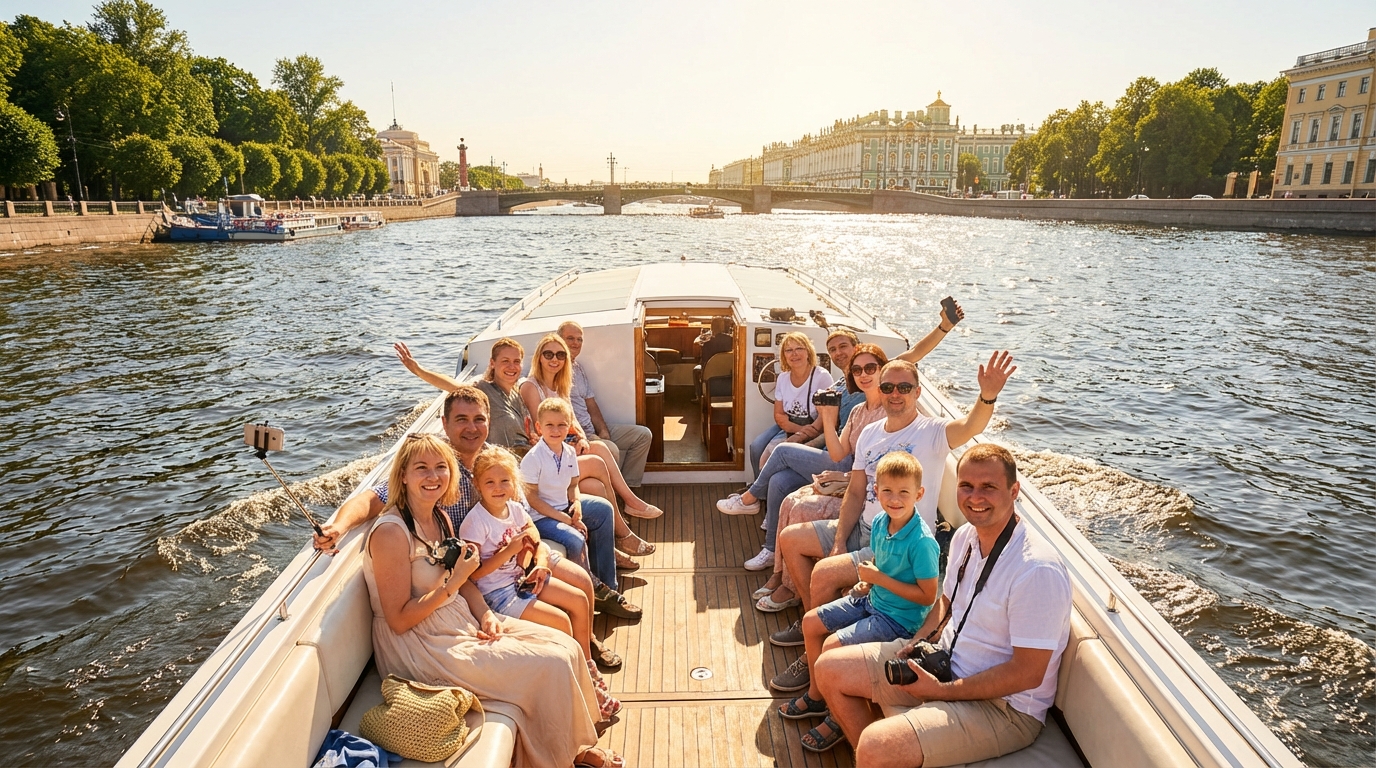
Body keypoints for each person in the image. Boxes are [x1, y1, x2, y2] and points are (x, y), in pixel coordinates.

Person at [311, 385, 632, 669]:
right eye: (461, 420)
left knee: (582, 583)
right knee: (567, 589)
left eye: (479, 419)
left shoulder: (494, 462)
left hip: (516, 550)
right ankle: (577, 653)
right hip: (482, 568)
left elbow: (523, 517)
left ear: (488, 423)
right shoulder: (436, 468)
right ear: (445, 423)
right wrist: (338, 526)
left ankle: (587, 639)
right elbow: (373, 499)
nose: (471, 427)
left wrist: (538, 557)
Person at [359, 432, 616, 768]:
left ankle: (573, 747)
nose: (433, 476)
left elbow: (465, 585)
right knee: (549, 664)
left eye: (441, 467)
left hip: (459, 619)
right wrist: (453, 583)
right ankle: (562, 759)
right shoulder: (391, 533)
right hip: (421, 644)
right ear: (403, 475)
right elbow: (399, 619)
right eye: (422, 468)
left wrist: (485, 615)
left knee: (564, 646)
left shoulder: (440, 517)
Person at [807, 444, 1072, 765]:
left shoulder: (1036, 569)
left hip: (1003, 708)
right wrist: (916, 644)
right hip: (946, 661)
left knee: (877, 745)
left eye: (989, 487)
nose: (975, 497)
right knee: (828, 669)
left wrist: (942, 691)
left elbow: (1027, 673)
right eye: (966, 486)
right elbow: (944, 603)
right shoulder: (966, 538)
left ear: (1014, 490)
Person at [771, 352, 1016, 691]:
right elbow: (856, 492)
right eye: (888, 387)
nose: (895, 393)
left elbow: (972, 426)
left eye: (904, 386)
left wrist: (987, 395)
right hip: (862, 527)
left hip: (892, 541)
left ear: (917, 392)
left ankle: (816, 652)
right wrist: (840, 540)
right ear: (880, 391)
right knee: (790, 539)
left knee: (826, 573)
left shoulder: (932, 432)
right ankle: (813, 628)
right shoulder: (870, 432)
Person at [722, 301, 965, 574]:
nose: (840, 355)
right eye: (833, 350)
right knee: (779, 479)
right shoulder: (842, 384)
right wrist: (802, 439)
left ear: (859, 349)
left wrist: (944, 326)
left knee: (779, 451)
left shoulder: (881, 382)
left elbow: (913, 355)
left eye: (844, 348)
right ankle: (769, 549)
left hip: (847, 462)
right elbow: (823, 425)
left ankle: (749, 499)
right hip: (834, 450)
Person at [459, 445, 621, 722]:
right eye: (490, 482)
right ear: (477, 484)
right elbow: (472, 575)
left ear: (514, 483)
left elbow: (532, 538)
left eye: (505, 481)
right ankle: (582, 687)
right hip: (498, 594)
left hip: (522, 578)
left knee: (580, 600)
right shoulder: (474, 523)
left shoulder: (514, 509)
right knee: (561, 621)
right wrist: (508, 551)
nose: (498, 488)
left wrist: (538, 563)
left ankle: (587, 669)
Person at [774, 452, 940, 709]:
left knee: (831, 644)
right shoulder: (880, 522)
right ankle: (817, 695)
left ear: (919, 494)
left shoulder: (922, 542)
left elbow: (928, 596)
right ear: (876, 491)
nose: (895, 499)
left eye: (904, 493)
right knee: (810, 622)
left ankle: (831, 704)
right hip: (872, 600)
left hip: (897, 621)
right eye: (887, 491)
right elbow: (880, 563)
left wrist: (879, 579)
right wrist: (869, 583)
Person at [520, 398, 642, 626]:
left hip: (564, 508)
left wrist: (576, 503)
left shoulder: (567, 452)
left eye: (561, 425)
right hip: (542, 517)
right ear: (539, 427)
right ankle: (591, 587)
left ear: (569, 427)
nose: (555, 431)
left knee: (604, 510)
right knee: (575, 540)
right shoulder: (533, 459)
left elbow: (573, 485)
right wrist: (566, 519)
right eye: (549, 425)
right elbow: (532, 499)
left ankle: (609, 587)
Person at [558, 320, 654, 489]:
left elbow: (591, 403)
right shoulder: (555, 370)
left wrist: (602, 430)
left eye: (579, 339)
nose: (575, 343)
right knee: (611, 450)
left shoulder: (578, 368)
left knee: (642, 435)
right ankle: (617, 494)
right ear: (558, 339)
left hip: (592, 429)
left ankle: (628, 487)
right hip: (579, 435)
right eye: (570, 338)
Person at [395, 339, 531, 453]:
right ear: (492, 363)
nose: (511, 366)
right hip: (498, 464)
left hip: (521, 457)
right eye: (505, 361)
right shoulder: (484, 389)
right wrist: (419, 370)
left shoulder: (516, 394)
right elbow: (451, 385)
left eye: (516, 361)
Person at [748, 332, 833, 476]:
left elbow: (828, 414)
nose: (794, 354)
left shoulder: (822, 377)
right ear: (784, 356)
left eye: (799, 348)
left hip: (817, 430)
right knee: (756, 448)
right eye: (789, 350)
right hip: (791, 426)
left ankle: (761, 490)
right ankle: (760, 492)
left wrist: (805, 434)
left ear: (808, 352)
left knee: (778, 460)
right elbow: (779, 415)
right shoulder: (783, 378)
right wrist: (799, 430)